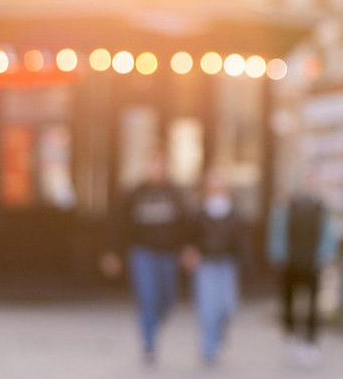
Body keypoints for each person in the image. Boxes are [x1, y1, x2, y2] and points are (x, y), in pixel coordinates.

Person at [99, 149, 193, 365]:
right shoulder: (135, 194)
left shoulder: (174, 193)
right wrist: (111, 252)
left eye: (160, 165)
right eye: (152, 165)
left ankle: (152, 325)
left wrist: (187, 248)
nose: (156, 170)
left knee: (168, 299)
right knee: (147, 297)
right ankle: (149, 344)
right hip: (142, 253)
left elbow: (185, 225)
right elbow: (119, 225)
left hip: (168, 254)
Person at [267, 175, 336, 364]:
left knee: (313, 304)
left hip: (312, 263)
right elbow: (277, 231)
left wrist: (325, 257)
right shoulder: (285, 206)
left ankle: (310, 342)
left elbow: (328, 233)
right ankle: (290, 335)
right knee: (288, 301)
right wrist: (278, 255)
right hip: (290, 261)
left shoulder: (321, 207)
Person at [189, 167, 249, 366]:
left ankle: (219, 332)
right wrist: (191, 252)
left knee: (227, 306)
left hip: (227, 264)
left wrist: (243, 261)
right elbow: (191, 237)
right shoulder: (199, 212)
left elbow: (241, 240)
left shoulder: (233, 212)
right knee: (207, 308)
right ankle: (209, 348)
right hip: (206, 264)